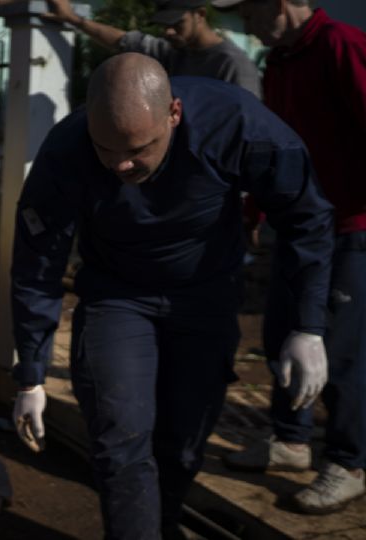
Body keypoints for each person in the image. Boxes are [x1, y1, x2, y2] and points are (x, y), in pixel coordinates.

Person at [10, 53, 333, 539]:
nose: (121, 164)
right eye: (105, 148)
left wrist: (307, 325)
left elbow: (306, 217)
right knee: (121, 440)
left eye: (139, 149)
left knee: (182, 445)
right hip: (117, 295)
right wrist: (31, 375)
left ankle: (160, 525)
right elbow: (37, 264)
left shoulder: (237, 125)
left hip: (205, 295)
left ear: (174, 114)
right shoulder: (67, 150)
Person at [213, 0, 366, 515]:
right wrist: (256, 211)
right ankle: (291, 441)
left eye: (247, 13)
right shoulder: (279, 60)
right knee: (282, 335)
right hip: (298, 228)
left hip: (350, 227)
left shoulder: (340, 45)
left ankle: (349, 463)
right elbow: (273, 149)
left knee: (340, 350)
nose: (245, 25)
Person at [43, 0, 261, 98]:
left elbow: (249, 124)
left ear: (200, 15)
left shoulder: (232, 64)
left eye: (177, 24)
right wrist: (73, 19)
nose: (169, 32)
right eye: (165, 26)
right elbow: (122, 40)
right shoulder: (173, 52)